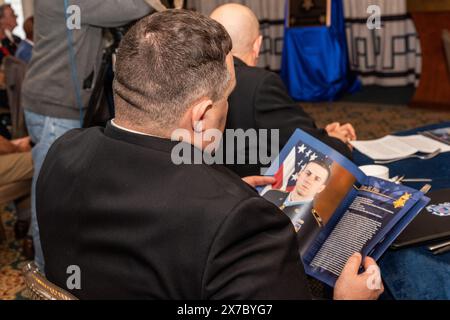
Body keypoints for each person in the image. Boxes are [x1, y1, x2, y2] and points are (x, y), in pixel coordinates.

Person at [37, 10, 383, 300]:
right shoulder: (241, 222)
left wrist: (223, 197)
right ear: (201, 115)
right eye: (226, 99)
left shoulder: (63, 152)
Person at [21, 0, 155, 272]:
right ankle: (47, 276)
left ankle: (62, 267)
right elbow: (135, 8)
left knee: (66, 192)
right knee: (52, 197)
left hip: (61, 103)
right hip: (55, 106)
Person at [210, 4, 357, 177]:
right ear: (258, 45)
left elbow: (276, 131)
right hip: (254, 194)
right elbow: (317, 150)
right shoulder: (260, 84)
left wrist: (324, 134)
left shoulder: (192, 80)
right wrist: (338, 141)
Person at [263, 160, 330, 257]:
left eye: (317, 179)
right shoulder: (272, 194)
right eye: (308, 173)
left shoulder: (314, 225)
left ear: (320, 188)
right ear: (299, 174)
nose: (309, 180)